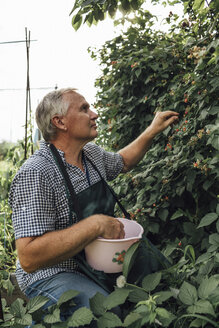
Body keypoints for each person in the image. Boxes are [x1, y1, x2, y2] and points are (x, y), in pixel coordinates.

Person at [9, 88, 179, 322]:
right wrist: (95, 225)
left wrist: (152, 130)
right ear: (60, 122)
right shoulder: (36, 173)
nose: (95, 114)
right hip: (53, 272)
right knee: (101, 310)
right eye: (84, 109)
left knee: (163, 276)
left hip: (96, 259)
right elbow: (28, 257)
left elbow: (124, 162)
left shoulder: (90, 155)